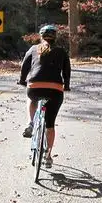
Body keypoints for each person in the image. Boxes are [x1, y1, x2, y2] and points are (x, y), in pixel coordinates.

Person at [17, 25, 71, 168]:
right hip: (55, 89)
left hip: (35, 86)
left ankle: (30, 123)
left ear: (41, 37)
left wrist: (23, 81)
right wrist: (67, 85)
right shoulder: (61, 51)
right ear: (55, 37)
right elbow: (67, 71)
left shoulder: (33, 49)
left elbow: (24, 67)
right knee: (50, 124)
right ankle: (48, 156)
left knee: (31, 98)